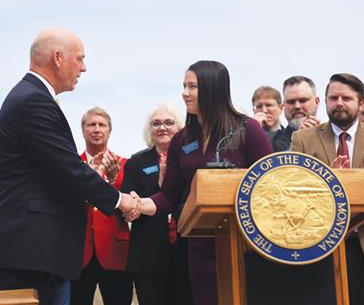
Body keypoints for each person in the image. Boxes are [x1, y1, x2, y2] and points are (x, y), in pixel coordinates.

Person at [0, 27, 138, 305]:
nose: (84, 67)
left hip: (35, 249)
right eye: (80, 58)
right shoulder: (32, 100)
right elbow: (67, 167)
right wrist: (118, 200)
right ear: (57, 57)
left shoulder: (31, 97)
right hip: (27, 251)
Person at [127, 61, 272, 305]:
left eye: (192, 86)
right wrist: (139, 204)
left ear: (213, 88)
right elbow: (170, 196)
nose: (185, 93)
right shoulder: (181, 141)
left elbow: (271, 183)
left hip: (244, 242)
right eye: (184, 86)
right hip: (199, 245)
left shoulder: (248, 129)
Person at [291, 73, 364, 305]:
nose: (339, 103)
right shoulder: (302, 139)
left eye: (346, 98)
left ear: (360, 103)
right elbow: (291, 190)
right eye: (334, 97)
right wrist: (326, 181)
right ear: (325, 101)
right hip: (323, 249)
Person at [121, 104, 193, 305]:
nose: (162, 127)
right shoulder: (136, 162)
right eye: (156, 123)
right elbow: (126, 204)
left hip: (185, 250)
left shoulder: (189, 160)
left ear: (179, 128)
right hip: (148, 255)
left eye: (169, 122)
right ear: (149, 129)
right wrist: (158, 187)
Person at [71, 107, 132, 305]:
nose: (97, 129)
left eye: (101, 125)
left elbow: (131, 207)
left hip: (116, 252)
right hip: (79, 253)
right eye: (91, 125)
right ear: (83, 131)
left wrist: (114, 181)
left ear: (109, 131)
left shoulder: (126, 165)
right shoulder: (71, 166)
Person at [271, 76, 320, 151]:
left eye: (303, 100)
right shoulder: (269, 141)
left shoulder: (334, 137)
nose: (297, 106)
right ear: (283, 105)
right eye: (291, 102)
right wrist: (299, 140)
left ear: (316, 102)